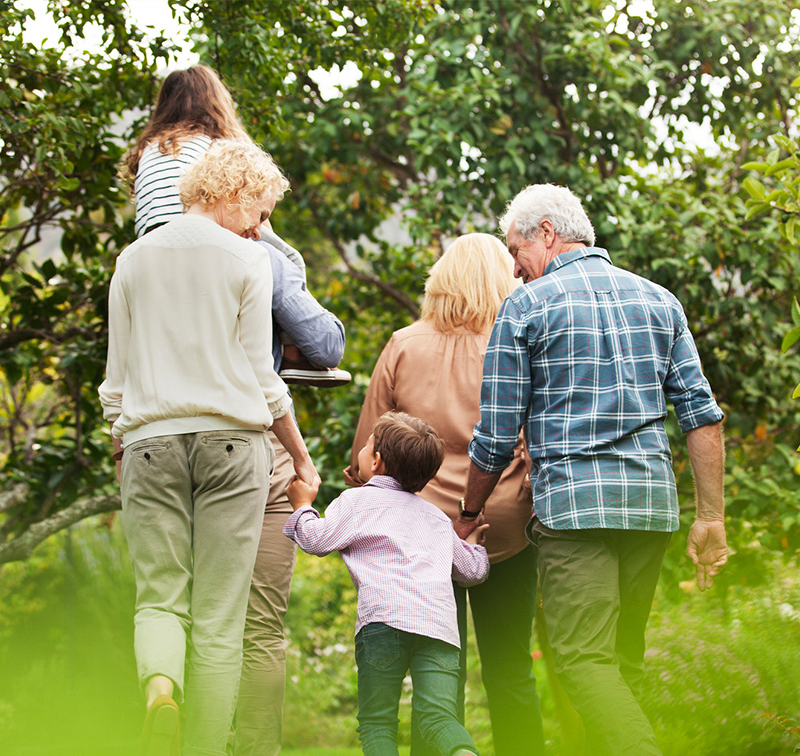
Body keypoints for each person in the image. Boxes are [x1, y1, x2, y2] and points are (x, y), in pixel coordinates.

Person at [122, 65, 348, 756]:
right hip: (236, 441)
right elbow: (292, 357)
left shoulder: (135, 253)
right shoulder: (252, 254)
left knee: (161, 599)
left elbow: (118, 373)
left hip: (152, 435)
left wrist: (123, 436)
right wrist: (302, 454)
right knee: (234, 622)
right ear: (241, 193)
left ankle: (161, 688)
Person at [457, 184, 728, 756]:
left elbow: (497, 434)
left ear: (547, 234)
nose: (512, 267)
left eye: (515, 250)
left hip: (574, 511)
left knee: (582, 660)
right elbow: (702, 417)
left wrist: (469, 511)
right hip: (650, 509)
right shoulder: (660, 301)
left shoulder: (525, 308)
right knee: (619, 663)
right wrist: (711, 516)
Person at [346, 233, 544, 756]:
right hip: (505, 526)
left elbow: (367, 453)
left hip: (422, 536)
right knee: (511, 668)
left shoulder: (403, 345)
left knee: (437, 676)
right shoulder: (517, 342)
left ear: (440, 279)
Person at [123, 64, 350, 388]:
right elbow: (236, 200)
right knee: (287, 258)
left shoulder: (147, 151)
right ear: (215, 103)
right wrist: (261, 227)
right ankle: (293, 352)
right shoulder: (216, 147)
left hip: (154, 246)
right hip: (205, 230)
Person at [286, 411, 489, 756]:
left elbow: (316, 540)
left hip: (383, 622)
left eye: (366, 447)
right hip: (438, 627)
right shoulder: (436, 518)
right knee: (439, 717)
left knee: (378, 722)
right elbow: (471, 572)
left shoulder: (355, 502)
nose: (362, 453)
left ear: (376, 461)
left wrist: (303, 506)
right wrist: (475, 549)